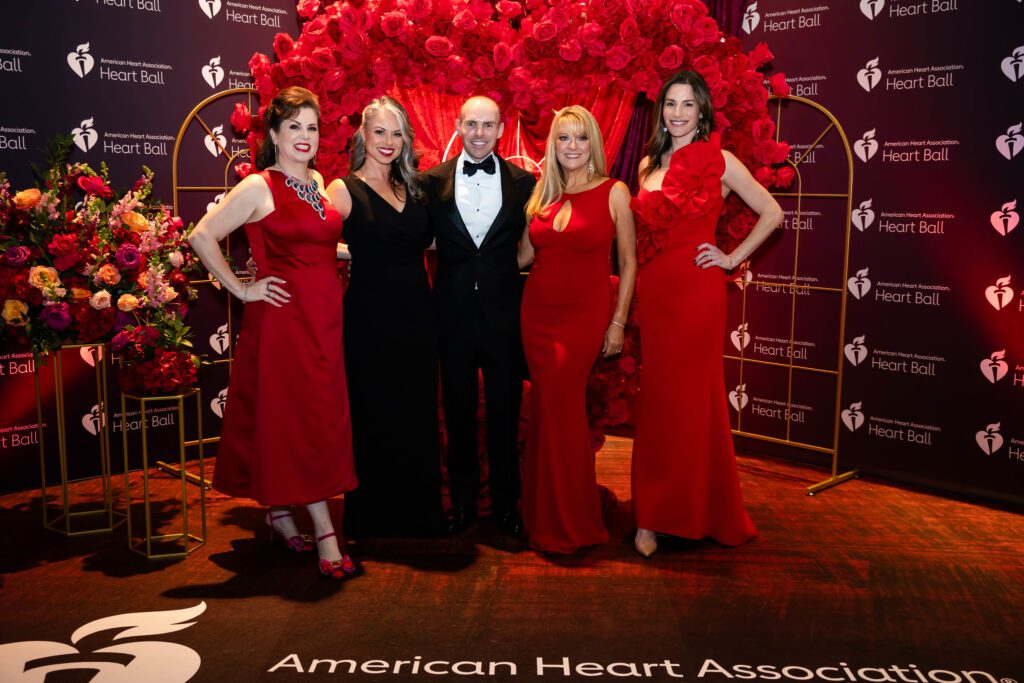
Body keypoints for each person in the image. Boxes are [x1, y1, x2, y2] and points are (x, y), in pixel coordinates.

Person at [189, 86, 358, 580]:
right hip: (284, 324)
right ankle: (325, 532)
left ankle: (281, 513)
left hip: (324, 322)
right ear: (275, 135)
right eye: (294, 127)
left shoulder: (319, 182)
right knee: (298, 420)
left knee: (312, 419)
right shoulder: (258, 186)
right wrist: (242, 290)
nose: (305, 136)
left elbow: (315, 244)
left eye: (312, 127)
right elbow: (201, 235)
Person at [631, 70, 783, 557]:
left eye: (687, 104)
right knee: (658, 402)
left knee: (694, 402)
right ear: (661, 112)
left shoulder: (722, 161)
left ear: (702, 112)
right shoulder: (646, 165)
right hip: (656, 294)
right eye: (670, 104)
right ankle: (650, 516)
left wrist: (732, 258)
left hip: (697, 295)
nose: (677, 113)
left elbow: (773, 212)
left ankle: (697, 510)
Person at [517, 106, 637, 554]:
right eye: (564, 138)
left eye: (581, 138)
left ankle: (572, 523)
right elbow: (521, 257)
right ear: (553, 145)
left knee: (563, 411)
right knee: (548, 412)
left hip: (583, 318)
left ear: (594, 144)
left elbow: (629, 263)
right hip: (536, 316)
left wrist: (617, 322)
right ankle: (543, 517)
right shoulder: (541, 195)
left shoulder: (614, 191)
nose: (572, 146)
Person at [325, 97, 444, 537]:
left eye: (397, 133)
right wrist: (350, 252)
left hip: (418, 318)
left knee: (416, 413)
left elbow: (431, 243)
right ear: (363, 135)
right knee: (372, 414)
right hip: (368, 320)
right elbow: (312, 241)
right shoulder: (342, 190)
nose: (388, 141)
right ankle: (371, 518)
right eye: (380, 132)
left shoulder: (415, 189)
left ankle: (419, 514)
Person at [421, 96, 536, 537]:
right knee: (458, 413)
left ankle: (507, 506)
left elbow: (529, 246)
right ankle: (463, 505)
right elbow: (421, 239)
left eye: (488, 125)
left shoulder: (524, 183)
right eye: (472, 124)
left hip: (504, 317)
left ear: (501, 129)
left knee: (505, 414)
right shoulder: (431, 181)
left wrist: (500, 275)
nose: (480, 133)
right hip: (450, 317)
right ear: (458, 126)